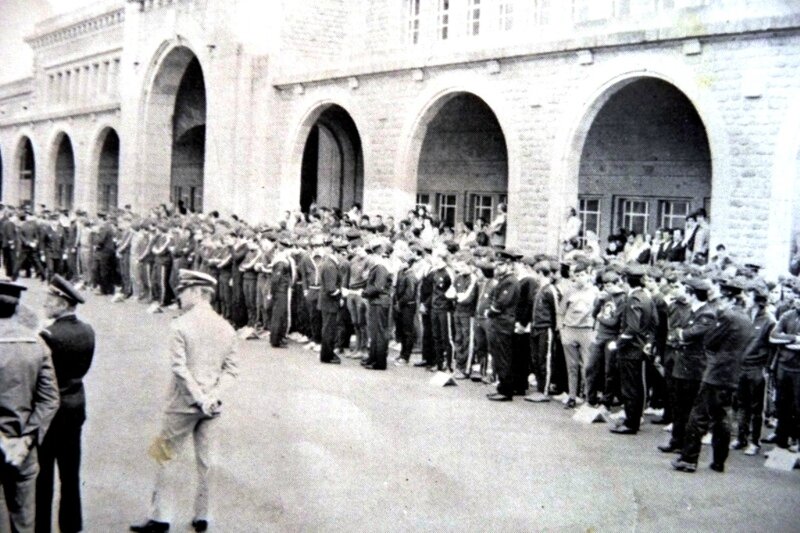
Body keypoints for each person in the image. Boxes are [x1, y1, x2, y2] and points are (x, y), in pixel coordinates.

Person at [131, 270, 238, 533]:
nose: (179, 295)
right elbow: (232, 370)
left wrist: (198, 398)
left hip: (182, 404)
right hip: (213, 405)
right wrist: (212, 397)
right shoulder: (225, 327)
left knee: (164, 454)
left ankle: (160, 517)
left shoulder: (180, 325)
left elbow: (179, 369)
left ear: (197, 293)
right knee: (208, 461)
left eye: (184, 290)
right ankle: (203, 516)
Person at [672, 278, 754, 473]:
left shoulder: (727, 316)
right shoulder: (745, 317)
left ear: (727, 296)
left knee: (699, 415)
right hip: (733, 372)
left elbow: (709, 340)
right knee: (723, 416)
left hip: (717, 371)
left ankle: (689, 459)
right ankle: (719, 461)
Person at [36, 275, 95, 533]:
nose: (46, 303)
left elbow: (40, 377)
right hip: (75, 405)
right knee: (71, 475)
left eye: (50, 299)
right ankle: (72, 527)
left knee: (43, 476)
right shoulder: (87, 331)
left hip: (50, 412)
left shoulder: (47, 335)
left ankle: (42, 527)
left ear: (63, 303)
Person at [0, 279, 60, 533]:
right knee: (24, 520)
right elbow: (50, 399)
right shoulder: (37, 344)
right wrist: (26, 437)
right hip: (23, 447)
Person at [608, 264, 657, 435]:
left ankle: (631, 423)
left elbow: (632, 328)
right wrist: (648, 342)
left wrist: (619, 342)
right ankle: (633, 420)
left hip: (631, 350)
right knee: (636, 387)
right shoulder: (646, 297)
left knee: (629, 388)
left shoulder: (634, 299)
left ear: (625, 280)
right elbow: (654, 323)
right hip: (640, 347)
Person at [485, 249, 522, 401]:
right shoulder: (504, 280)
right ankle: (502, 386)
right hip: (499, 323)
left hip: (503, 323)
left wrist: (490, 312)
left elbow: (501, 303)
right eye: (497, 265)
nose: (497, 268)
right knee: (499, 356)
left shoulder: (511, 281)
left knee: (503, 357)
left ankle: (506, 390)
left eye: (501, 265)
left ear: (509, 265)